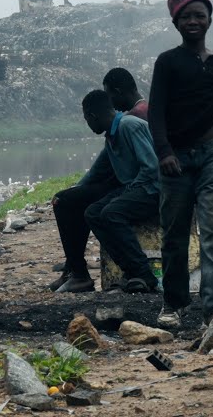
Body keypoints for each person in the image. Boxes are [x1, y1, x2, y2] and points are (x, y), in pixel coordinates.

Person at [148, 0, 213, 329]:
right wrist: (164, 153)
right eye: (185, 16)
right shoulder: (168, 63)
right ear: (176, 22)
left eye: (199, 15)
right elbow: (155, 114)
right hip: (177, 160)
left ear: (209, 19)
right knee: (174, 233)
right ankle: (173, 303)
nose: (193, 21)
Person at [50, 89, 161, 293]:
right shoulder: (112, 134)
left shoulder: (129, 126)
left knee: (111, 213)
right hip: (137, 187)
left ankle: (143, 274)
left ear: (93, 116)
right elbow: (97, 171)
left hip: (153, 189)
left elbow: (151, 168)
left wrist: (127, 191)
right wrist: (73, 191)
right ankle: (122, 272)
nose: (88, 125)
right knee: (92, 213)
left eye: (87, 119)